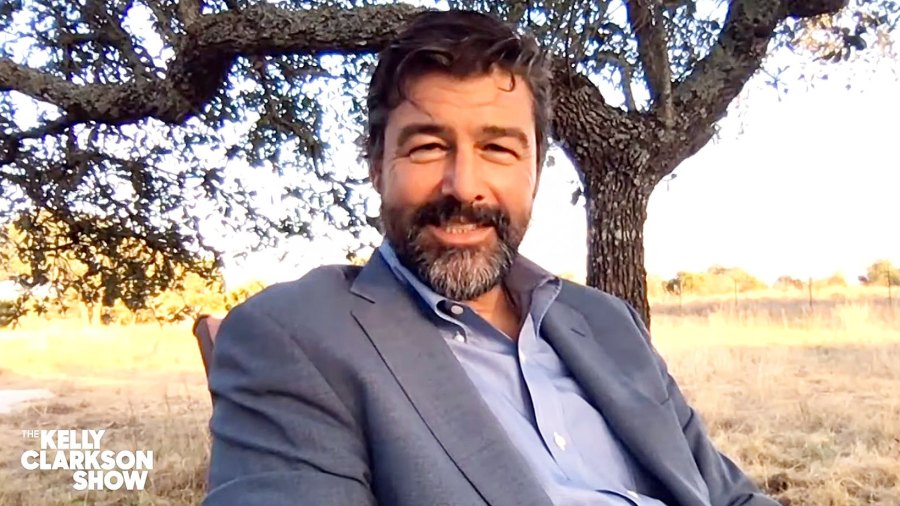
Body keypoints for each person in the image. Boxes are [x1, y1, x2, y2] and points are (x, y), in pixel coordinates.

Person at [203, 9, 779, 506]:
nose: (464, 186)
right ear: (377, 166)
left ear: (535, 169)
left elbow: (728, 495)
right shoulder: (296, 336)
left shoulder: (609, 323)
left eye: (498, 148)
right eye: (428, 146)